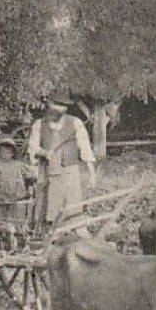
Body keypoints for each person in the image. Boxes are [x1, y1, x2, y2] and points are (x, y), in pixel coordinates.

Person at [27, 93, 97, 229]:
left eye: (61, 107)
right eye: (55, 106)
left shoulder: (76, 123)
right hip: (47, 171)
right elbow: (33, 147)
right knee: (47, 204)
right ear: (49, 106)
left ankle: (71, 230)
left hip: (69, 171)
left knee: (71, 204)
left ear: (66, 108)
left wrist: (92, 174)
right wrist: (45, 153)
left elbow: (86, 149)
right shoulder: (39, 124)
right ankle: (47, 231)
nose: (57, 109)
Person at [0, 139, 34, 248]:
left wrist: (30, 180)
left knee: (19, 222)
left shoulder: (19, 165)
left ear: (13, 153)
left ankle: (21, 244)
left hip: (18, 199)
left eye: (8, 152)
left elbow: (31, 175)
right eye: (3, 152)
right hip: (1, 200)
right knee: (0, 222)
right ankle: (1, 244)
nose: (6, 154)